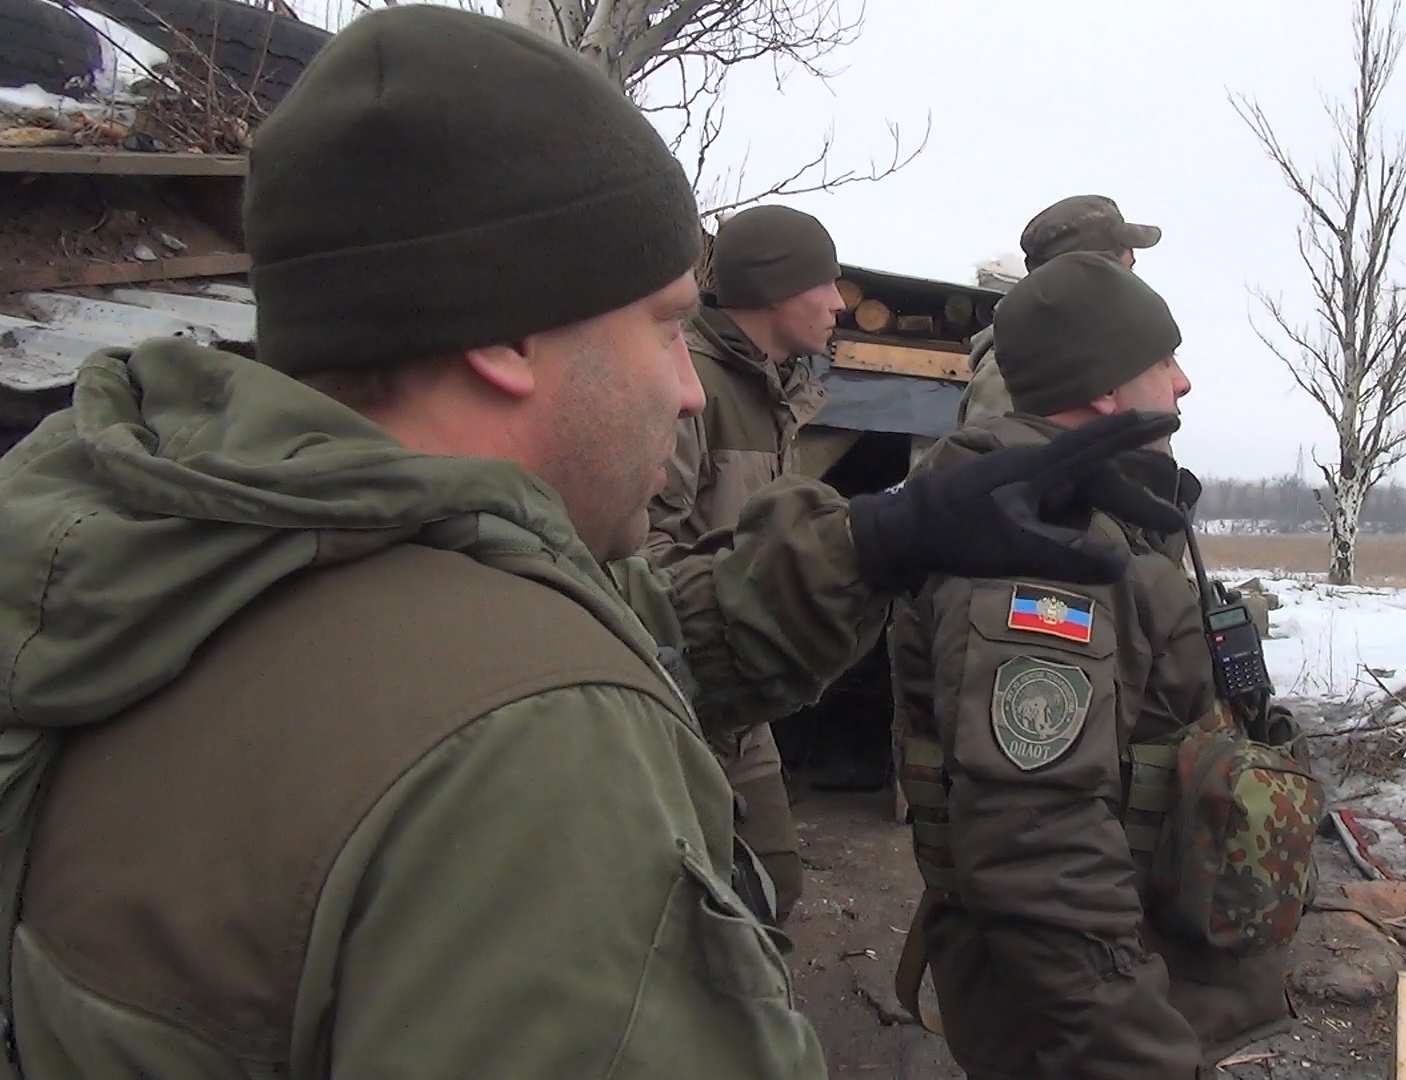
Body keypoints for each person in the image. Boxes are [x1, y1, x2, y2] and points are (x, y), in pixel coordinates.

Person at [0, 10, 1184, 1078]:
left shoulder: (178, 547)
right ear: (505, 338)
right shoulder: (530, 740)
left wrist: (875, 542)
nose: (688, 387)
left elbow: (644, 637)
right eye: (666, 328)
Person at [891, 253, 1322, 1079]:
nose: (1184, 381)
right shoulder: (1044, 551)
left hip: (1132, 979)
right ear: (1103, 389)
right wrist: (1141, 1055)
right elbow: (1035, 855)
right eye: (1163, 360)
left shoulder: (1102, 517)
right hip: (1087, 1028)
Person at [646, 203, 844, 922]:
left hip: (739, 700)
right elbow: (640, 553)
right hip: (678, 693)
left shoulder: (774, 388)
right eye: (824, 283)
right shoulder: (691, 387)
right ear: (774, 288)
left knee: (774, 884)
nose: (839, 303)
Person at [958, 194, 1161, 426]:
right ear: (1089, 274)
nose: (1132, 284)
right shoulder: (1017, 371)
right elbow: (1001, 448)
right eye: (1126, 270)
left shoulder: (1094, 355)